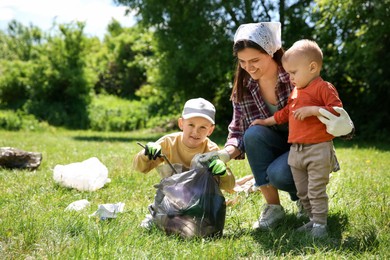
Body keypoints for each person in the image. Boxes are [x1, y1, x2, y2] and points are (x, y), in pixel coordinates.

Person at [197, 22, 354, 231]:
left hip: (307, 147)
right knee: (252, 134)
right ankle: (273, 208)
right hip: (276, 146)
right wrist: (224, 155)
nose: (248, 67)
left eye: (255, 60)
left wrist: (337, 124)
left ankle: (304, 201)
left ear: (271, 52)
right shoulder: (244, 88)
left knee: (278, 174)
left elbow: (330, 109)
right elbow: (239, 132)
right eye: (242, 62)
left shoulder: (295, 75)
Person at [251, 39, 342, 237]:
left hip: (318, 148)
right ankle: (312, 220)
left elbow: (338, 112)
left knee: (315, 189)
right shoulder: (296, 91)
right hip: (297, 150)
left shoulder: (323, 88)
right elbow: (285, 113)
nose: (290, 77)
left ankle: (321, 226)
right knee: (302, 191)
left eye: (293, 72)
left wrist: (314, 110)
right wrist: (266, 122)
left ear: (312, 67)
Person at [133, 97, 235, 228]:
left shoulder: (211, 149)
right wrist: (146, 154)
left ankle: (196, 222)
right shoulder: (168, 142)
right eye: (191, 125)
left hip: (199, 201)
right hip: (171, 196)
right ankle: (156, 215)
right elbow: (139, 167)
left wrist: (223, 173)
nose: (195, 132)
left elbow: (230, 185)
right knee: (164, 209)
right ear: (181, 123)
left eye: (202, 127)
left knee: (203, 222)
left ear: (210, 130)